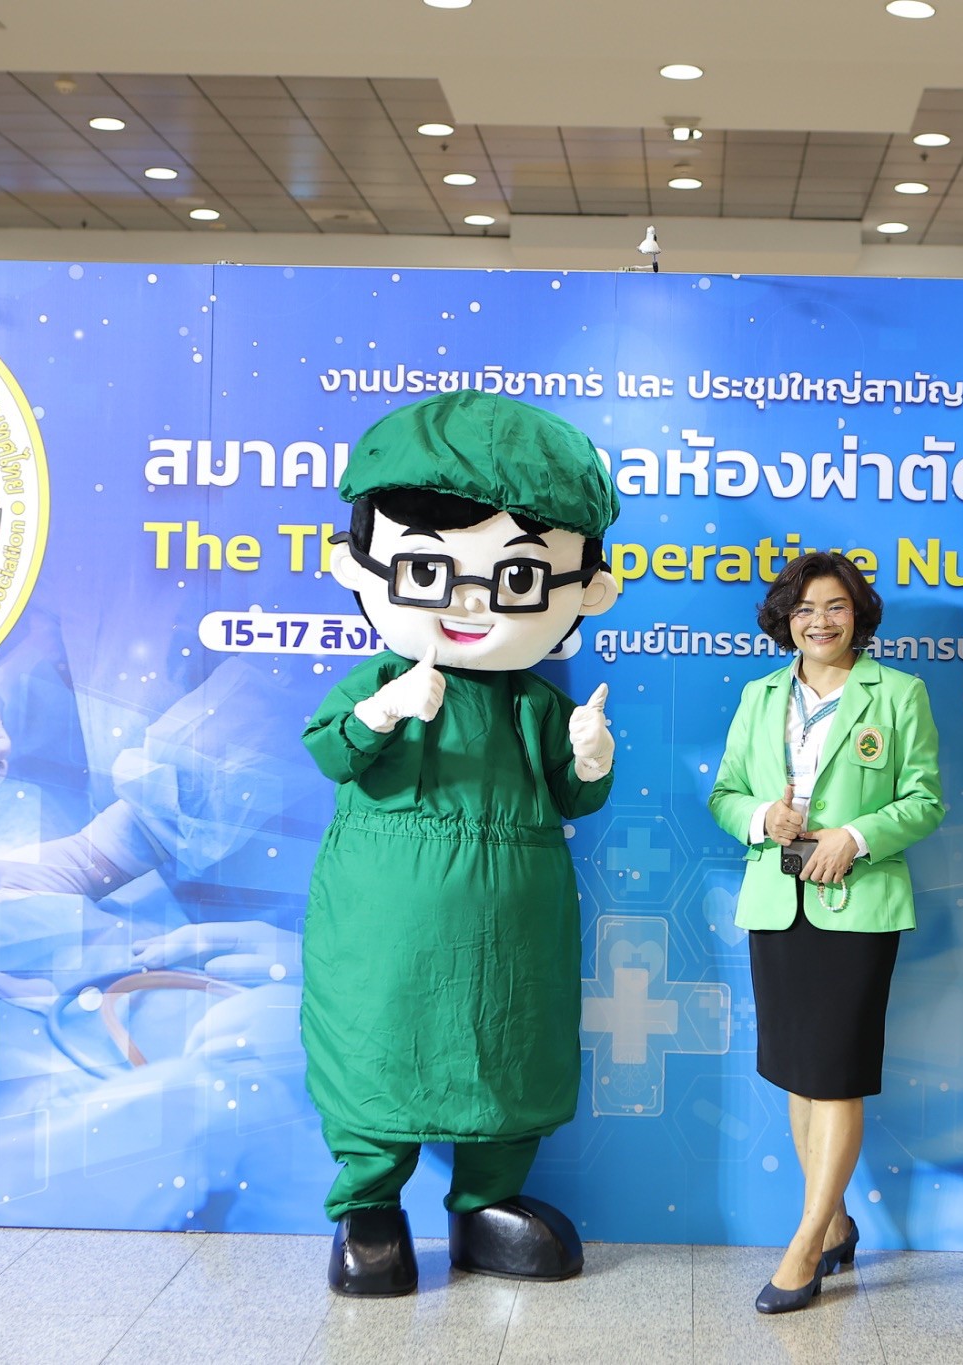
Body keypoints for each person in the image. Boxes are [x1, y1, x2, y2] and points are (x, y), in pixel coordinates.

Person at [301, 391, 621, 1296]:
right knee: (375, 1039)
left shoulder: (537, 702)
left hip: (514, 919)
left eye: (517, 579)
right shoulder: (379, 677)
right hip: (383, 917)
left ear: (585, 591)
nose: (471, 600)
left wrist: (590, 756)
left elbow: (574, 794)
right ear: (358, 564)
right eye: (428, 571)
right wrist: (380, 712)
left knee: (511, 1040)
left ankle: (486, 1202)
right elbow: (330, 753)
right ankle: (369, 1205)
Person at [708, 550, 945, 1314]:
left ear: (858, 614)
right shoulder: (759, 696)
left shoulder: (898, 693)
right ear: (785, 618)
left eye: (835, 606)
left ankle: (806, 1243)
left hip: (858, 903)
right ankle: (837, 1219)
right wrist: (762, 817)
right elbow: (724, 793)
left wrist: (857, 835)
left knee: (836, 1071)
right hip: (778, 902)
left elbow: (925, 800)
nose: (820, 621)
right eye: (805, 608)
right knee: (799, 1071)